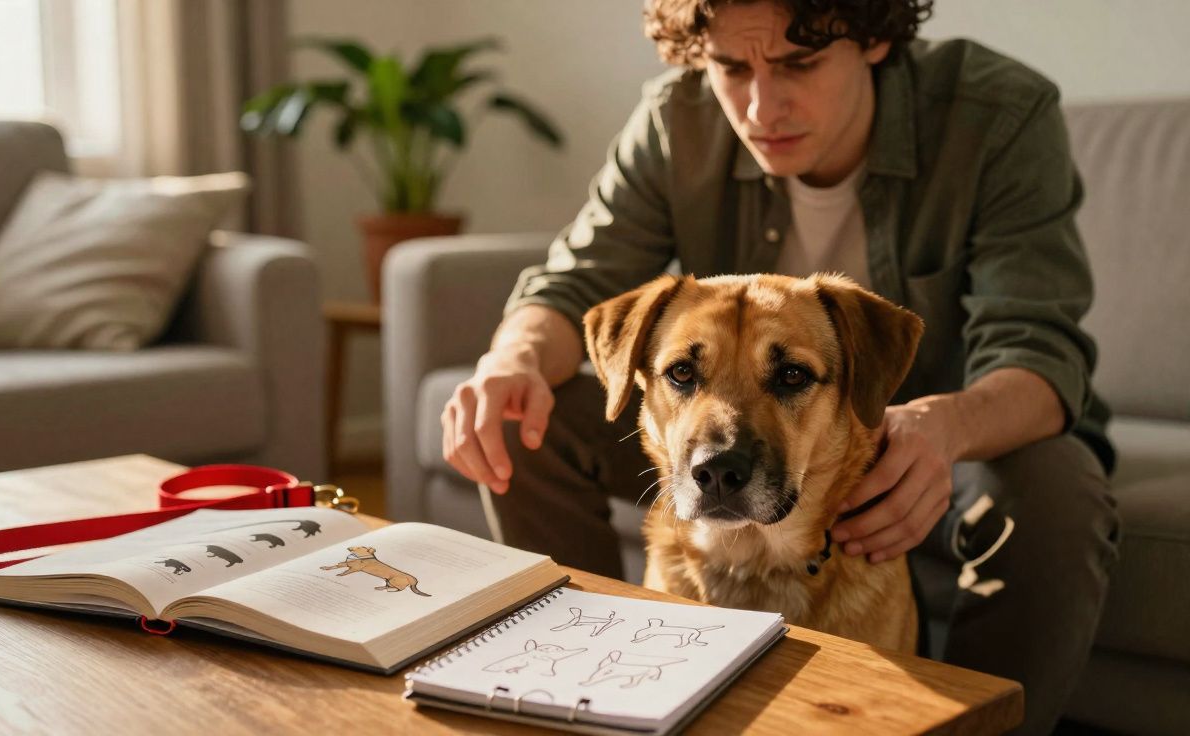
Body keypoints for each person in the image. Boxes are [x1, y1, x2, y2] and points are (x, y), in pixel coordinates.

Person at [440, 1, 1119, 733]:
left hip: (951, 434)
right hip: (757, 438)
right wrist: (510, 362)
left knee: (1058, 489)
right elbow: (572, 287)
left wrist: (940, 426)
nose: (761, 105)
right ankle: (584, 688)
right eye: (733, 67)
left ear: (876, 37)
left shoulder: (996, 114)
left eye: (799, 64)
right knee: (521, 417)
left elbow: (1038, 348)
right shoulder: (680, 117)